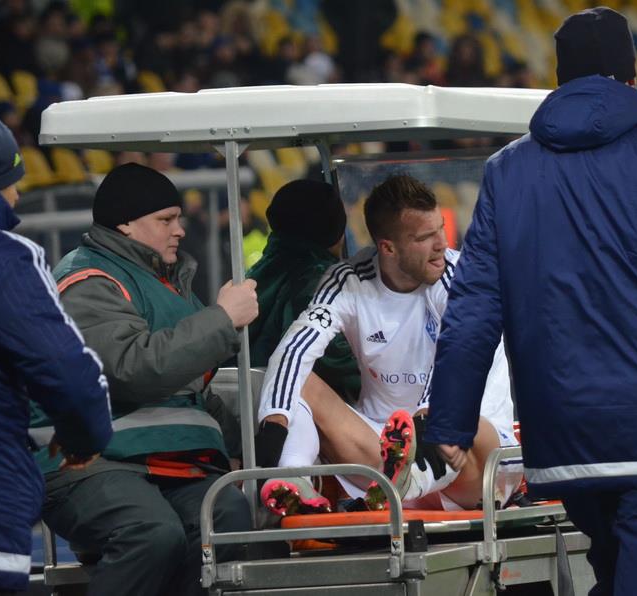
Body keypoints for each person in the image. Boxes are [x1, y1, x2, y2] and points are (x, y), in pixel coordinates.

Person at [423, 8, 637, 596]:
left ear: (560, 80)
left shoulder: (507, 170)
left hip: (564, 438)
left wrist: (452, 419)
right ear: (631, 77)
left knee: (612, 577)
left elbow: (474, 307)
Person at [32, 163, 261, 596]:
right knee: (150, 532)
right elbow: (132, 369)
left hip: (161, 457)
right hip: (91, 462)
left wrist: (238, 449)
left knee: (227, 518)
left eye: (178, 218)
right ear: (125, 224)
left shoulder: (164, 283)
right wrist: (223, 319)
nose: (179, 230)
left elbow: (191, 390)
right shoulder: (87, 281)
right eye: (165, 219)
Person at [255, 174, 517, 514]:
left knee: (456, 416)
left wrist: (427, 416)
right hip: (380, 454)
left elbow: (460, 351)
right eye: (424, 237)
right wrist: (274, 423)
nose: (441, 243)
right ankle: (295, 478)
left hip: (476, 466)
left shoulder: (463, 276)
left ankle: (411, 478)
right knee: (298, 376)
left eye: (440, 229)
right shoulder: (348, 281)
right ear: (388, 248)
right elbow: (295, 347)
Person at [0, 114, 112, 594]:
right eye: (13, 182)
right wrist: (83, 438)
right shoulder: (2, 258)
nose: (18, 196)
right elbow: (68, 374)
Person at [245, 179, 360, 404]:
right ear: (336, 230)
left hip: (257, 401)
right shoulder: (320, 281)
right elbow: (333, 360)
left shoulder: (261, 270)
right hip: (299, 408)